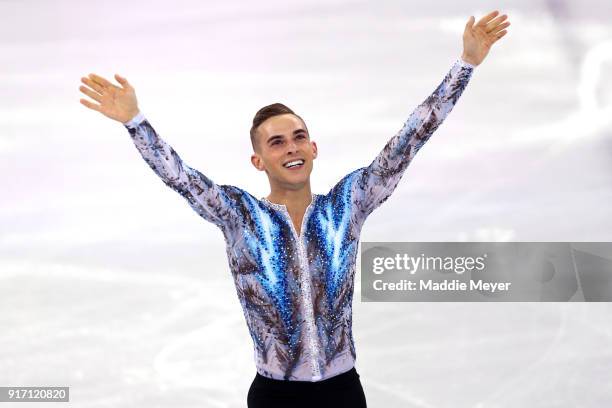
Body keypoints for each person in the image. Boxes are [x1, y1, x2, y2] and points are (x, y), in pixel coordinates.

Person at [79, 10, 510, 408]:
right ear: (258, 161)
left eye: (299, 137)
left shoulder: (347, 205)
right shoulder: (239, 215)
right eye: (277, 142)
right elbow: (181, 178)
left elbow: (410, 141)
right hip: (275, 397)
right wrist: (136, 123)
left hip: (343, 392)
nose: (292, 148)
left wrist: (465, 66)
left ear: (314, 147)